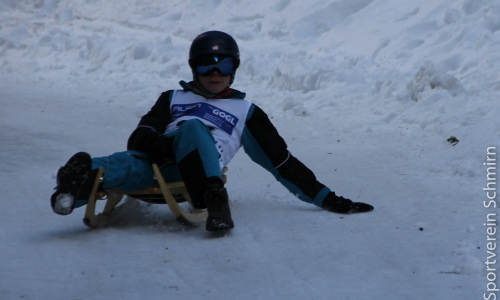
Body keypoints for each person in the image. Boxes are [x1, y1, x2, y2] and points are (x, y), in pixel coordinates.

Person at [51, 31, 373, 232]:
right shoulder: (173, 98)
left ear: (235, 69)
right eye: (206, 65)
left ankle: (216, 202)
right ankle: (72, 189)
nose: (215, 73)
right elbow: (139, 136)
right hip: (157, 164)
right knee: (119, 163)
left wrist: (328, 199)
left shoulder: (246, 112)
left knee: (192, 129)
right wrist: (161, 145)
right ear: (194, 68)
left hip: (197, 174)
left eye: (224, 65)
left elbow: (282, 162)